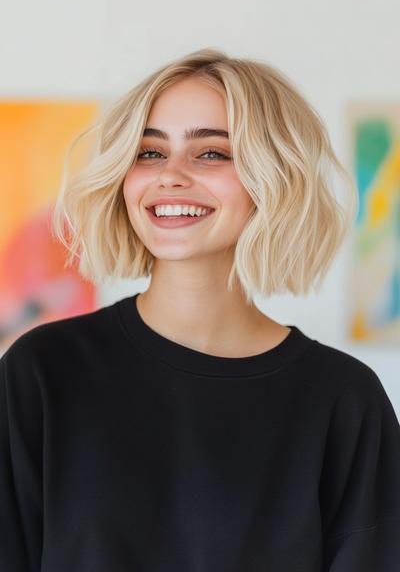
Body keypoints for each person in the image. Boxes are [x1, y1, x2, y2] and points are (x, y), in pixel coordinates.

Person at [1, 48, 399, 572]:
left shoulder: (344, 400)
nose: (170, 175)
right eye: (148, 153)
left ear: (272, 176)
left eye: (210, 153)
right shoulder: (43, 371)